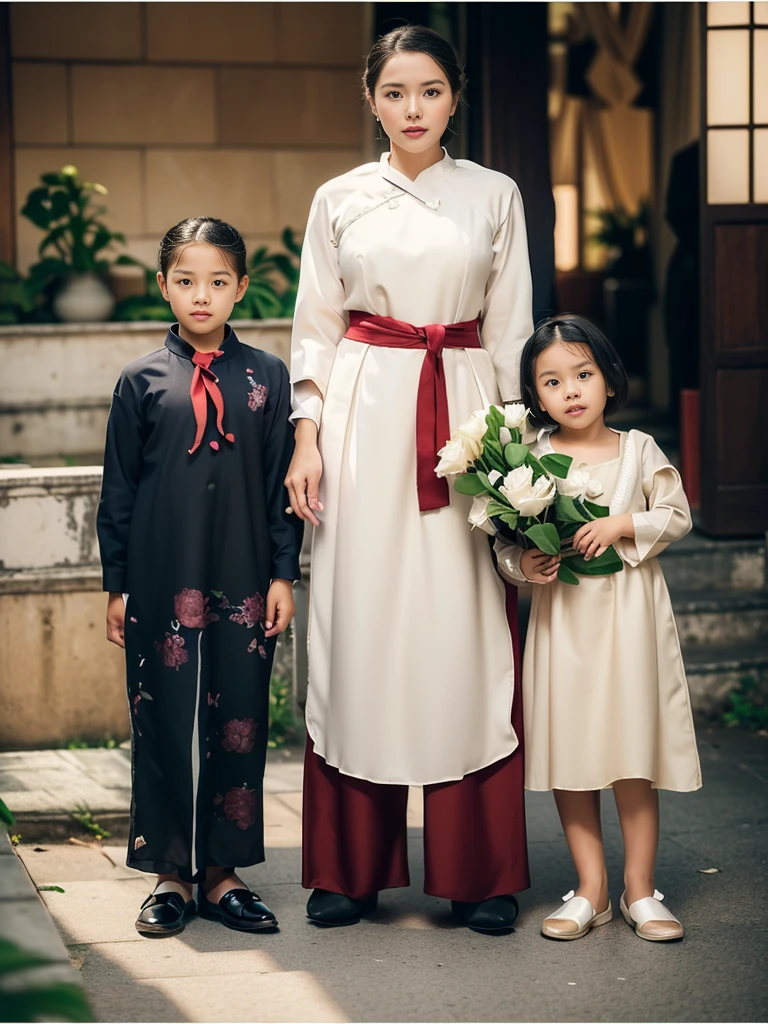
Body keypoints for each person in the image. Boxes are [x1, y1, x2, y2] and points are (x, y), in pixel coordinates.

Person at [286, 26, 533, 933]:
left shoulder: (493, 194)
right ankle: (349, 870)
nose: (413, 109)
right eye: (396, 93)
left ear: (455, 98)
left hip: (468, 412)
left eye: (429, 92)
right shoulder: (340, 197)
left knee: (466, 629)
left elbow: (511, 330)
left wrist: (519, 461)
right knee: (361, 623)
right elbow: (313, 328)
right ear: (371, 99)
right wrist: (307, 438)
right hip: (362, 414)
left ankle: (484, 871)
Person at [97, 218, 303, 937]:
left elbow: (284, 486)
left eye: (218, 281)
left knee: (240, 721)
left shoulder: (267, 377)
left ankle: (223, 875)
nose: (202, 295)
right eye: (186, 280)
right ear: (163, 286)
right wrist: (115, 585)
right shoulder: (141, 380)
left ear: (241, 287)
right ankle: (168, 874)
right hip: (161, 578)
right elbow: (117, 492)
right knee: (163, 720)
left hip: (245, 577)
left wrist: (284, 574)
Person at [495, 315, 701, 942]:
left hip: (629, 620)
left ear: (609, 379)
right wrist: (524, 562)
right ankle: (592, 888)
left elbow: (677, 514)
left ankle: (642, 888)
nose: (572, 390)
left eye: (583, 374)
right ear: (536, 397)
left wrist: (623, 525)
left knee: (631, 748)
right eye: (552, 381)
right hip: (564, 624)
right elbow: (504, 546)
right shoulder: (529, 460)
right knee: (571, 750)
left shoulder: (638, 449)